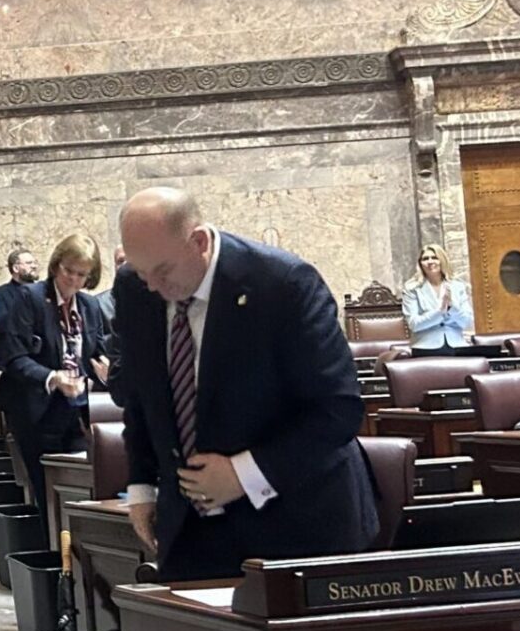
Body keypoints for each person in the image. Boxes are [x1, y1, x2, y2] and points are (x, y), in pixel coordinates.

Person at [113, 187, 377, 581]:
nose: (151, 286)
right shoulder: (136, 289)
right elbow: (141, 395)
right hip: (190, 530)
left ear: (198, 241)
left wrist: (246, 473)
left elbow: (337, 410)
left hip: (297, 523)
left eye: (162, 272)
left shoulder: (283, 284)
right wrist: (141, 487)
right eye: (140, 271)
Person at [0, 232, 111, 508]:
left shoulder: (90, 306)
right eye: (69, 271)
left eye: (82, 275)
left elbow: (97, 351)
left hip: (76, 408)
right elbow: (14, 356)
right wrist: (52, 377)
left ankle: (74, 548)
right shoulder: (29, 298)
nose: (73, 280)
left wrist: (104, 366)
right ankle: (54, 548)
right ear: (56, 265)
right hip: (35, 408)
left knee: (81, 488)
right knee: (48, 492)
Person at [400, 244, 475, 351]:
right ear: (420, 264)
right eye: (425, 259)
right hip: (425, 346)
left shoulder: (457, 286)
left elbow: (467, 322)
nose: (430, 262)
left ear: (442, 260)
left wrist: (452, 308)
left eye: (434, 257)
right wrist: (439, 312)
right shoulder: (412, 288)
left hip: (457, 345)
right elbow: (414, 324)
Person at [0, 247, 38, 337]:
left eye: (35, 263)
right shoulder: (0, 293)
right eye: (29, 263)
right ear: (15, 268)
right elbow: (3, 324)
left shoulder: (43, 291)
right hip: (14, 349)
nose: (34, 266)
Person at [95, 245, 128, 326]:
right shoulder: (99, 305)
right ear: (115, 266)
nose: (125, 266)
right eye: (121, 261)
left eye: (130, 260)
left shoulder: (152, 300)